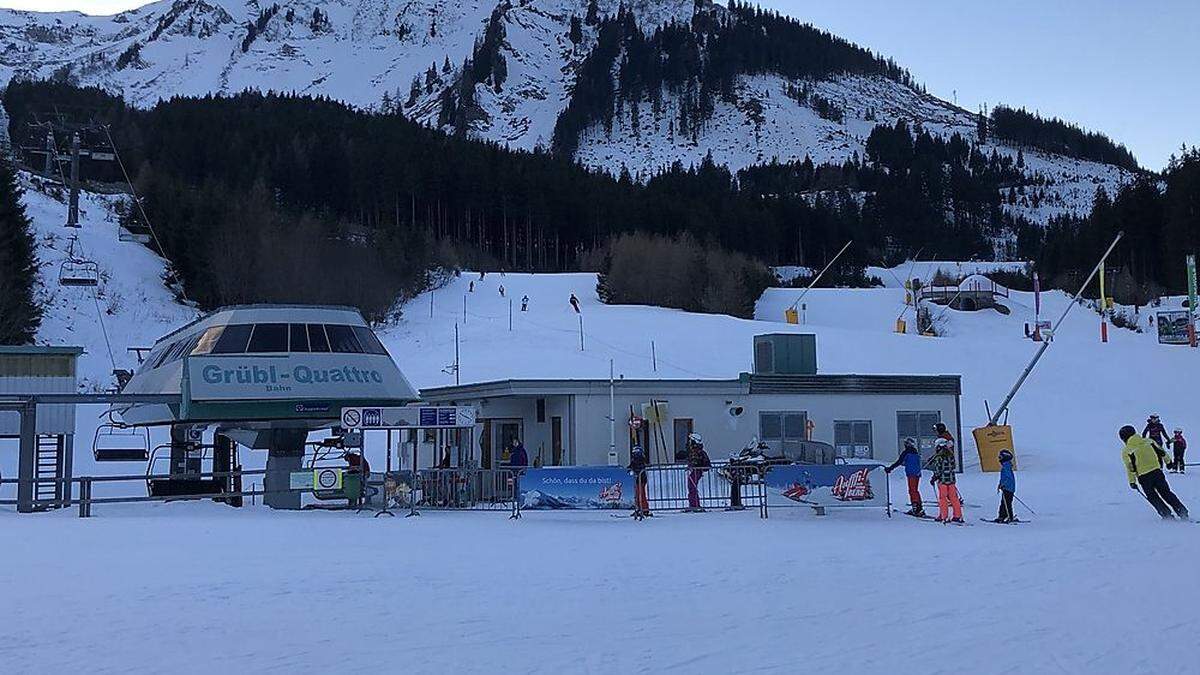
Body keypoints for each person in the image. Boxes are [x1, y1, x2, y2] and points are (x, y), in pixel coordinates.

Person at [1121, 425, 1188, 520]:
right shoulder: (1149, 441)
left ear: (1124, 438)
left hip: (1144, 478)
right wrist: (1168, 462)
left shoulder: (1126, 451)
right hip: (1157, 473)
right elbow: (1162, 452)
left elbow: (1130, 467)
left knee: (1153, 497)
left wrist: (1132, 482)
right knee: (1166, 493)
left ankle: (1167, 515)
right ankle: (1182, 512)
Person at [885, 437, 926, 517]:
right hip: (917, 473)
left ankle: (916, 508)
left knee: (912, 490)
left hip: (911, 473)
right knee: (915, 490)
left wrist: (890, 468)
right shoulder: (915, 451)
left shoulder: (906, 452)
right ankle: (919, 507)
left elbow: (899, 461)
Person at [926, 438, 963, 523]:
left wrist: (934, 478)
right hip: (951, 480)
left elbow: (939, 470)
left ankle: (943, 516)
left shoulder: (940, 457)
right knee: (954, 498)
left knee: (943, 498)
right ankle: (957, 515)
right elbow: (953, 466)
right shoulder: (951, 454)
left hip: (942, 481)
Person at [685, 433, 711, 512]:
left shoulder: (696, 450)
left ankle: (695, 504)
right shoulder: (696, 450)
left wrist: (692, 465)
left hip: (697, 471)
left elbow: (696, 461)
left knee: (692, 487)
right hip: (696, 471)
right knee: (691, 487)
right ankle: (693, 504)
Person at [991, 448, 1017, 523]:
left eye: (1000, 457)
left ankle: (1006, 516)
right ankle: (1004, 516)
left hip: (1008, 488)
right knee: (1005, 503)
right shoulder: (1006, 466)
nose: (999, 459)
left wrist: (1003, 484)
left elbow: (1008, 477)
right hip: (1008, 488)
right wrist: (1000, 484)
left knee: (1006, 503)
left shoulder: (1006, 466)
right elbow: (1004, 477)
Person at [627, 445, 651, 517]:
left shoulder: (640, 460)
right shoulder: (635, 460)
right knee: (637, 495)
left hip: (641, 479)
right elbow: (632, 466)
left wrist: (634, 470)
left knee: (641, 494)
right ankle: (638, 508)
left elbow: (639, 467)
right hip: (637, 479)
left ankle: (644, 509)